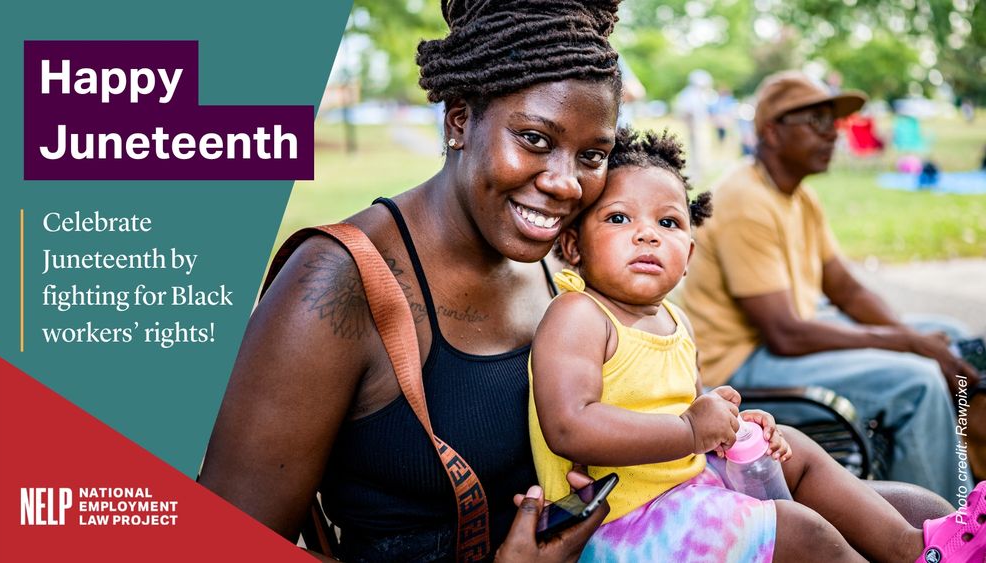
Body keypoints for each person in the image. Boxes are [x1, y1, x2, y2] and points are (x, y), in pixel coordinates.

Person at [198, 1, 625, 561]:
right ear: (459, 121)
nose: (566, 185)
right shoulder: (337, 282)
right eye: (536, 140)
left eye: (592, 155)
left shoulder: (562, 266)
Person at [528, 126, 986, 562]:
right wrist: (691, 430)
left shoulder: (674, 320)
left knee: (795, 447)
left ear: (687, 255)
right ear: (573, 246)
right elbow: (570, 425)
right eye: (619, 218)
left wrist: (728, 424)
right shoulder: (579, 316)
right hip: (618, 524)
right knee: (796, 527)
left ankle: (912, 547)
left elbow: (683, 409)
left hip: (680, 488)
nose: (647, 234)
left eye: (668, 222)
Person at [680, 70, 981, 500]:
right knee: (917, 381)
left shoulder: (799, 196)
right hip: (738, 366)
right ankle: (942, 530)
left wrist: (912, 336)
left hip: (786, 337)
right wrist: (909, 345)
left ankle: (965, 473)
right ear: (771, 132)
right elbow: (785, 334)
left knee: (948, 333)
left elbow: (846, 289)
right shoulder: (744, 200)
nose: (832, 135)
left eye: (832, 123)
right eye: (816, 122)